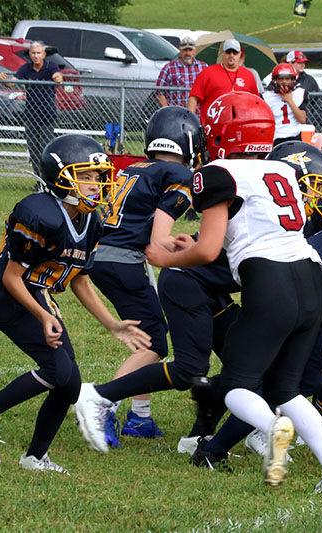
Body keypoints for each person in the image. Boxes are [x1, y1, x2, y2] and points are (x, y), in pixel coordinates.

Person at [76, 92, 322, 494]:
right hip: (311, 278)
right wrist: (190, 245)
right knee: (287, 390)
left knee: (239, 383)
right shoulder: (283, 169)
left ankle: (270, 428)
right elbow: (249, 231)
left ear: (220, 133)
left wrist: (166, 257)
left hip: (269, 281)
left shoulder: (217, 172)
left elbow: (209, 250)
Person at [0, 134, 150, 473]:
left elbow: (79, 279)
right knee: (57, 370)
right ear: (61, 177)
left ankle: (35, 457)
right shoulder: (39, 212)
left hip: (39, 298)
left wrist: (112, 324)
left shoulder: (91, 221)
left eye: (98, 176)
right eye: (86, 176)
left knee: (69, 384)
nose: (96, 183)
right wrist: (43, 316)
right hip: (8, 297)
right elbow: (12, 277)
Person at [88, 106, 203, 446]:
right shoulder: (177, 174)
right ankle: (102, 406)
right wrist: (195, 248)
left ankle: (139, 418)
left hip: (105, 255)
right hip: (124, 260)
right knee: (154, 342)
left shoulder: (137, 167)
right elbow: (158, 240)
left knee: (146, 335)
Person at [0, 42, 63, 179]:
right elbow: (12, 82)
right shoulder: (26, 68)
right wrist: (4, 79)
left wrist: (57, 77)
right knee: (33, 149)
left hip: (47, 114)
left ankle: (47, 179)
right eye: (33, 53)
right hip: (30, 114)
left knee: (45, 148)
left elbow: (58, 77)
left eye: (39, 53)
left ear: (44, 55)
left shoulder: (51, 66)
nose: (36, 56)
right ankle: (38, 178)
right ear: (30, 54)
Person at [187, 39, 259, 121]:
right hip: (213, 124)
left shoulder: (248, 75)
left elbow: (255, 103)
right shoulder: (207, 72)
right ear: (223, 53)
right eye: (228, 52)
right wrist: (189, 121)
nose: (231, 55)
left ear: (240, 54)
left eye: (235, 52)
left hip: (240, 124)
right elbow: (193, 98)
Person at [155, 36, 208, 110]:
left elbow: (210, 90)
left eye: (190, 50)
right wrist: (167, 110)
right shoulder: (169, 68)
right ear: (180, 50)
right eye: (185, 50)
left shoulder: (204, 67)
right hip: (176, 113)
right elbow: (159, 92)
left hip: (198, 114)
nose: (187, 53)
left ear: (195, 51)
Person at [262, 63, 308, 145]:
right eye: (280, 79)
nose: (284, 82)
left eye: (287, 79)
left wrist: (290, 101)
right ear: (275, 80)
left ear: (292, 80)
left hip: (294, 137)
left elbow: (302, 120)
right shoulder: (267, 97)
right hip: (275, 138)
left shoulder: (299, 93)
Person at [286, 50, 322, 126]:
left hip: (304, 124)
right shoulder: (280, 80)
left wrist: (310, 122)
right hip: (284, 124)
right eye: (299, 63)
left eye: (303, 63)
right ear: (290, 63)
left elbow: (319, 103)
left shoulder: (309, 80)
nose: (303, 65)